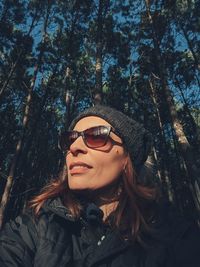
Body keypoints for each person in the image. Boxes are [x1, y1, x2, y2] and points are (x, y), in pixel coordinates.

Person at [0, 105, 200, 267]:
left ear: (127, 159)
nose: (74, 147)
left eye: (96, 135)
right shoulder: (35, 224)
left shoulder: (173, 234)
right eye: (70, 139)